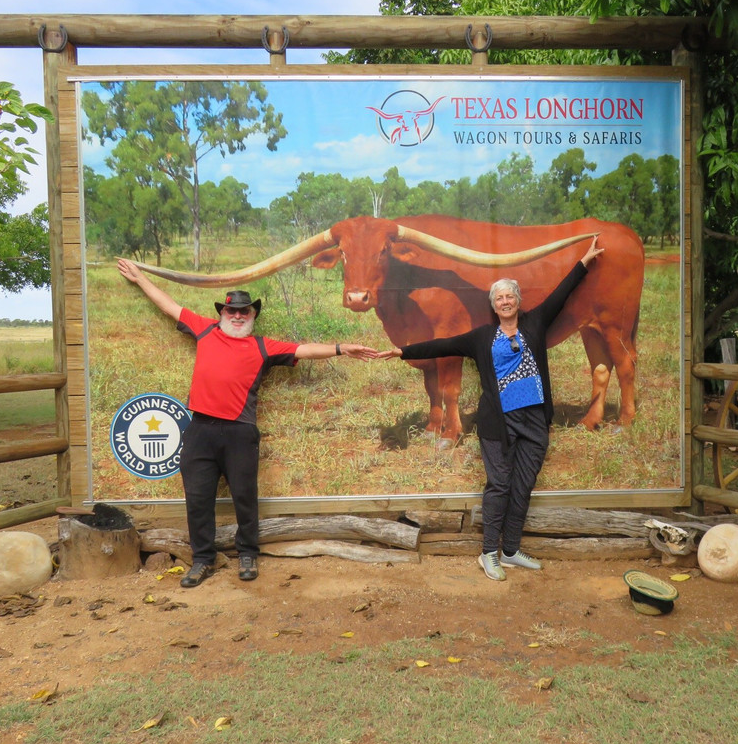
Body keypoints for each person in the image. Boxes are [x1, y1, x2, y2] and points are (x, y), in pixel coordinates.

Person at [116, 258, 377, 587]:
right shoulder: (205, 330)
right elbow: (170, 306)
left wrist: (341, 348)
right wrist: (140, 279)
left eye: (245, 312)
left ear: (253, 316)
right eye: (231, 311)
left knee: (244, 496)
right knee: (198, 498)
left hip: (240, 433)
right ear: (221, 314)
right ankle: (202, 560)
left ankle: (248, 554)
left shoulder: (263, 346)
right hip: (200, 431)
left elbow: (305, 349)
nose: (237, 316)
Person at [375, 237, 604, 581]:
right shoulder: (481, 337)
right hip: (498, 422)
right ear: (493, 306)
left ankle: (510, 550)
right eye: (500, 297)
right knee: (499, 486)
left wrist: (585, 261)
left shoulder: (535, 323)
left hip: (534, 420)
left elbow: (562, 292)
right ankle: (488, 553)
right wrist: (401, 351)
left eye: (510, 295)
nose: (506, 301)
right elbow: (443, 344)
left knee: (524, 484)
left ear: (518, 301)